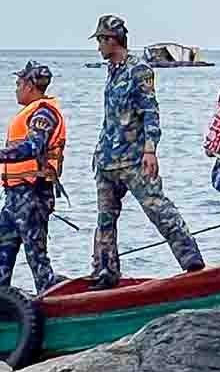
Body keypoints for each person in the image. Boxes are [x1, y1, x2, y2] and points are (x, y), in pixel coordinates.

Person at [87, 14, 206, 286]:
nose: (98, 48)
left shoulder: (138, 70)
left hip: (134, 159)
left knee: (158, 209)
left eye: (101, 42)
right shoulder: (112, 71)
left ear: (112, 40)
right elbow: (112, 117)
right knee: (105, 221)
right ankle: (106, 272)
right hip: (107, 160)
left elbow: (151, 113)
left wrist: (150, 150)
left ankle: (192, 261)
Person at [0, 61, 66, 295]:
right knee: (2, 251)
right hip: (15, 195)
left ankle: (52, 303)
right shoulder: (30, 113)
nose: (16, 89)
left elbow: (33, 147)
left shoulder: (44, 113)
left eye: (18, 83)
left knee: (36, 256)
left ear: (30, 85)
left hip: (33, 193)